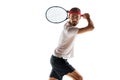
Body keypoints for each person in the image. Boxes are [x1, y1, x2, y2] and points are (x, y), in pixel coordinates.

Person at [49, 7, 94, 80]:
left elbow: (75, 18)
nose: (75, 19)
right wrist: (88, 18)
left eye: (77, 17)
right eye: (72, 17)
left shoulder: (67, 25)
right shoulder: (70, 30)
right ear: (68, 16)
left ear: (80, 18)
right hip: (59, 60)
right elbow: (91, 27)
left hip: (56, 59)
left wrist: (79, 15)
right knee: (79, 78)